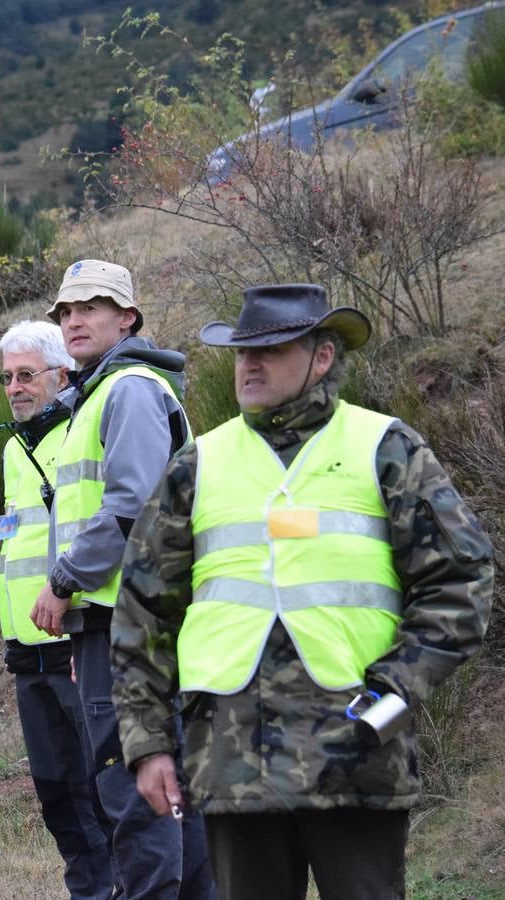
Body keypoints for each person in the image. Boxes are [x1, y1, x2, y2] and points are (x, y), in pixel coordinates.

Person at [111, 284, 494, 900]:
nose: (249, 365)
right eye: (241, 352)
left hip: (357, 753)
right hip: (232, 760)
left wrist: (394, 696)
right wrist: (147, 743)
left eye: (270, 349)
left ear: (320, 358)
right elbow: (142, 613)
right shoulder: (197, 464)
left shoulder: (384, 447)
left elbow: (461, 580)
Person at [28, 259, 212, 899]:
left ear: (127, 318)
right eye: (66, 312)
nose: (74, 320)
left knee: (136, 789)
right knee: (165, 790)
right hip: (117, 625)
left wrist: (64, 581)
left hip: (127, 624)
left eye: (91, 307)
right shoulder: (103, 391)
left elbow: (132, 506)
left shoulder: (128, 388)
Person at [0, 320, 116, 900]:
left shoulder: (80, 431)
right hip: (26, 654)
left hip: (77, 642)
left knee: (102, 793)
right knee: (58, 798)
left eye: (26, 375)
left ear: (62, 374)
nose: (15, 388)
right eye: (7, 377)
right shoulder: (13, 449)